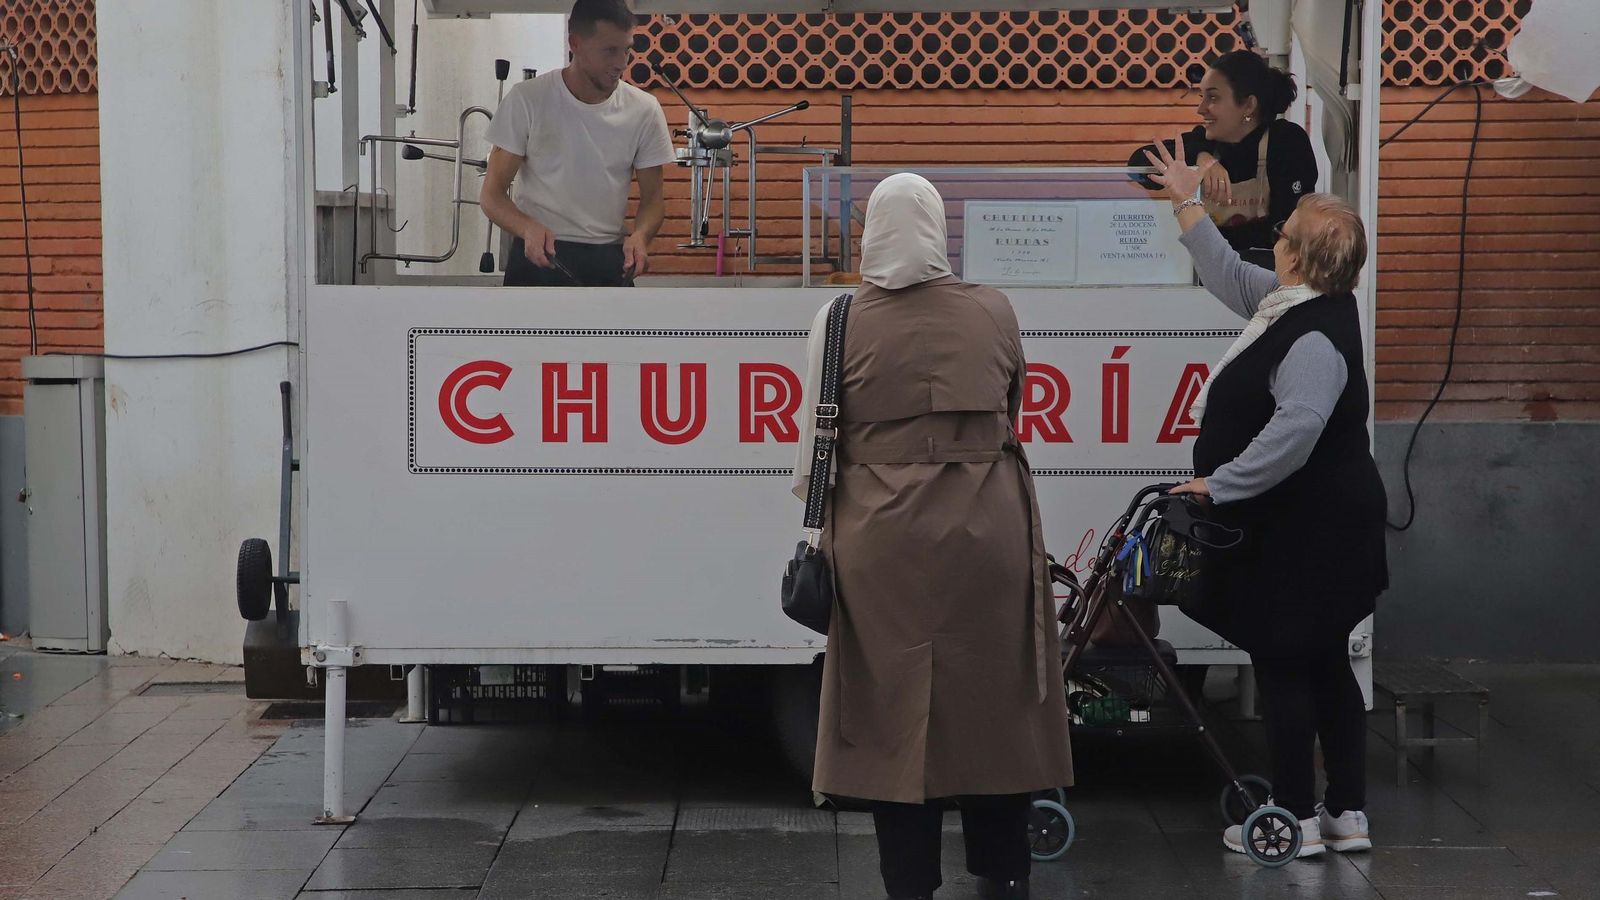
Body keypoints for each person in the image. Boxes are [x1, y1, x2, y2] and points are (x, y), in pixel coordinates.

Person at [793, 173, 1074, 900]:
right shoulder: (993, 309)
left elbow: (815, 448)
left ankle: (909, 882)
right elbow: (1013, 405)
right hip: (990, 526)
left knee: (894, 711)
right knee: (995, 707)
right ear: (938, 232)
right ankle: (1003, 872)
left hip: (880, 538)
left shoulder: (841, 318)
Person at [1143, 137, 1385, 860]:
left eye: (1283, 235)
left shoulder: (1311, 336)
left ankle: (1295, 818)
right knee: (1326, 664)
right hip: (1320, 529)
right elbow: (1224, 272)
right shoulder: (1294, 305)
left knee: (1286, 662)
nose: (1272, 237)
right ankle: (1346, 814)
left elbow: (1297, 431)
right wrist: (1185, 200)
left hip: (1310, 534)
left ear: (1300, 258)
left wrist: (1218, 483)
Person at [480, 0, 674, 287]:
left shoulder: (645, 110)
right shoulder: (527, 100)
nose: (621, 63)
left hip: (609, 260)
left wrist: (640, 237)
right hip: (538, 256)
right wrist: (527, 228)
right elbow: (492, 196)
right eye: (610, 51)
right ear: (576, 44)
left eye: (627, 50)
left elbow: (653, 201)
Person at [1130, 50, 1318, 268]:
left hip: (1269, 281)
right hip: (1207, 284)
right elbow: (1137, 166)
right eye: (1202, 98)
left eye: (1213, 98)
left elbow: (1290, 230)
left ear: (1248, 105)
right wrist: (1201, 158)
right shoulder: (1205, 141)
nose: (1201, 110)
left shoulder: (1286, 142)